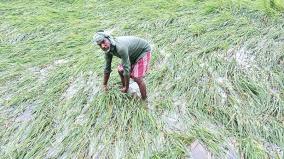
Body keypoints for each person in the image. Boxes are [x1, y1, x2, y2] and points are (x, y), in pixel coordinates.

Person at [93, 30, 152, 100]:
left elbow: (127, 70)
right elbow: (107, 68)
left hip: (143, 52)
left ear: (108, 38)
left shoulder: (120, 48)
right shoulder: (108, 50)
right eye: (99, 44)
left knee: (137, 78)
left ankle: (144, 99)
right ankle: (124, 87)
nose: (103, 46)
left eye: (103, 41)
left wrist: (126, 88)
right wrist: (104, 85)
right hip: (132, 54)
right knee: (120, 70)